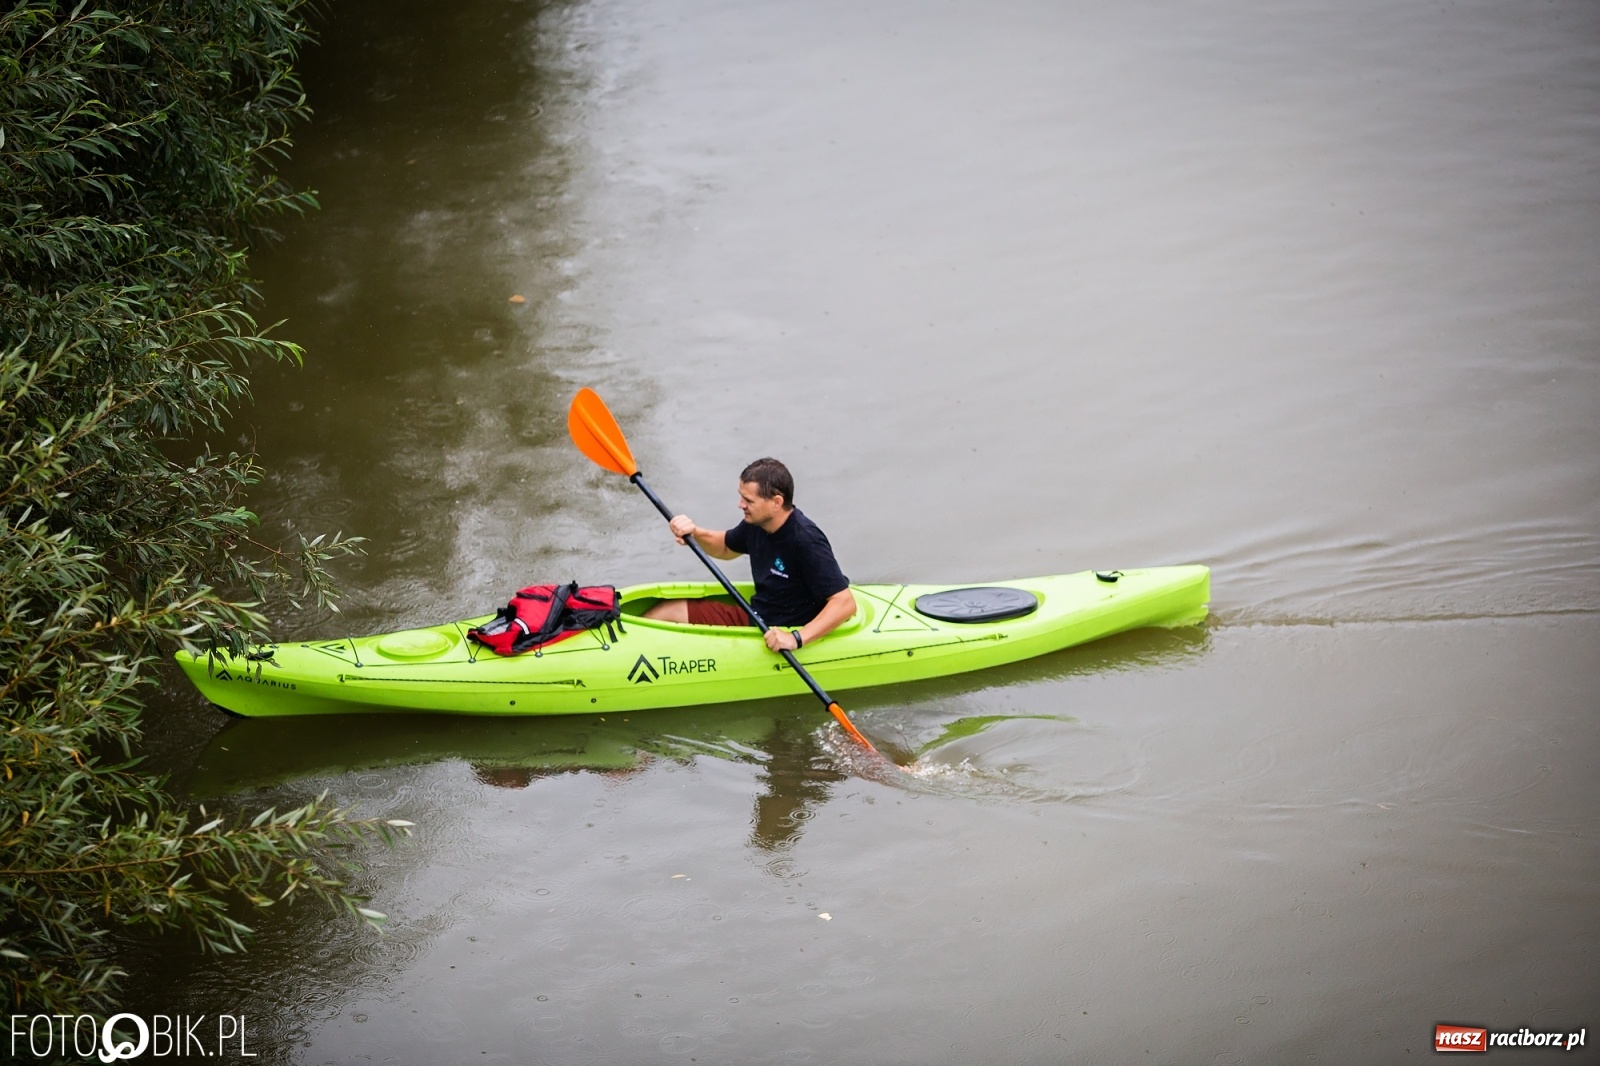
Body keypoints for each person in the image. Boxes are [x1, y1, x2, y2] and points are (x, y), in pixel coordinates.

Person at [643, 458, 856, 653]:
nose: (740, 505)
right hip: (758, 617)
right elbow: (725, 548)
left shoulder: (806, 539)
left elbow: (844, 602)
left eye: (748, 500)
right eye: (741, 496)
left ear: (777, 502)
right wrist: (696, 534)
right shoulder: (756, 524)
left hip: (785, 631)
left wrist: (795, 639)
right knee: (669, 610)